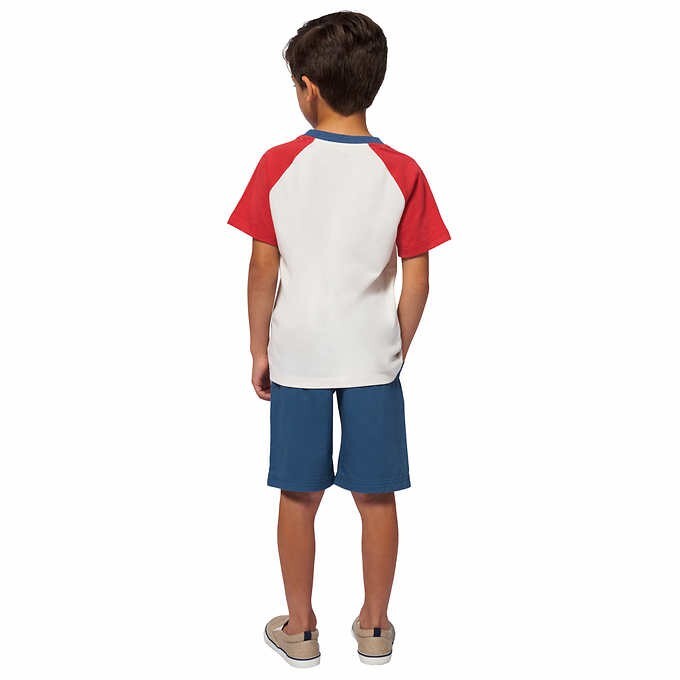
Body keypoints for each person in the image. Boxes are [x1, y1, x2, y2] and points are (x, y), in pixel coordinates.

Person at [227, 11, 451, 667]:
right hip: (372, 358)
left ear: (308, 87)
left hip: (297, 353)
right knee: (375, 495)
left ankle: (300, 630)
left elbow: (262, 267)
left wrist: (259, 348)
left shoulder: (278, 164)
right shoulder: (402, 170)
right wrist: (395, 345)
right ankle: (375, 628)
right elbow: (418, 277)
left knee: (299, 494)